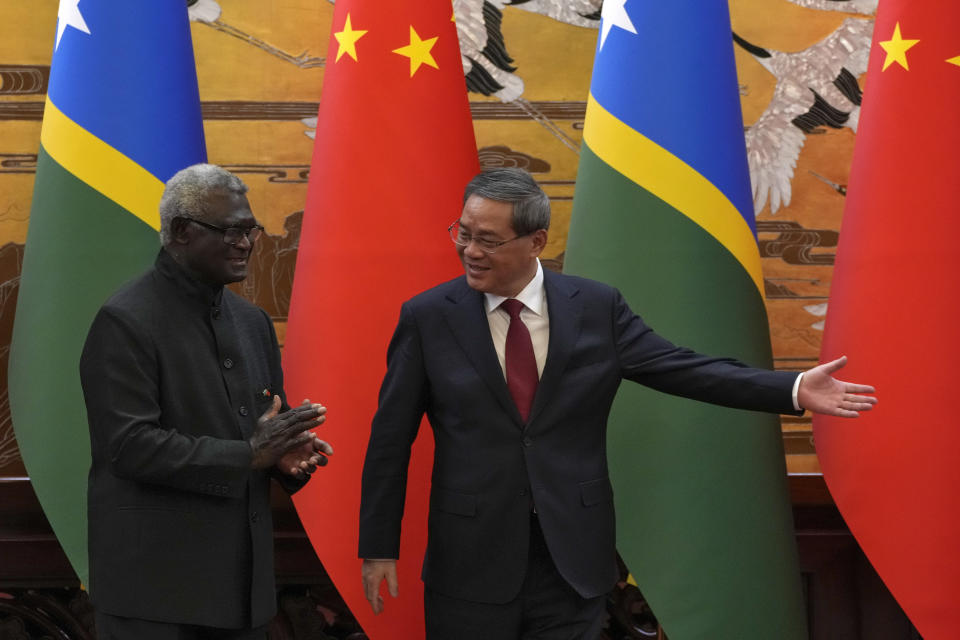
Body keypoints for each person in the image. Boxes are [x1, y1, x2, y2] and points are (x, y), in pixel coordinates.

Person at [358, 168, 876, 639]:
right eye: (464, 234)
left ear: (537, 241)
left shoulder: (596, 309)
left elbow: (683, 368)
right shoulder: (429, 317)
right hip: (469, 559)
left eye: (488, 240)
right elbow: (389, 441)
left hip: (573, 559)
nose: (470, 250)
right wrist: (378, 546)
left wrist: (790, 388)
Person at [80, 164, 332, 640]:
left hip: (242, 591)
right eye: (231, 230)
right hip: (156, 596)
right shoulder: (125, 321)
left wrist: (283, 458)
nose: (247, 242)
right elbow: (130, 446)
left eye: (250, 229)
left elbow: (260, 433)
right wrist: (251, 454)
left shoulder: (252, 322)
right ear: (180, 232)